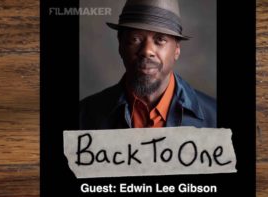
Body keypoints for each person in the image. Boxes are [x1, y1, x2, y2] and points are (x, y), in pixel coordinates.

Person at [80, 0, 216, 129]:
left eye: (160, 39)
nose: (146, 51)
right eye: (135, 39)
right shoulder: (83, 116)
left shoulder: (215, 117)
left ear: (176, 50)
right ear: (120, 46)